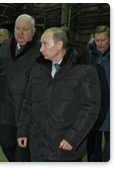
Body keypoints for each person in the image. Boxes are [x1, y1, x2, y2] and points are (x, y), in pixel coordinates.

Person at [17, 27, 101, 162]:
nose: (41, 49)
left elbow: (90, 108)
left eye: (45, 44)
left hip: (65, 148)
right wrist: (23, 130)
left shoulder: (84, 72)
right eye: (41, 44)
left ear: (59, 44)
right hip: (38, 147)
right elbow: (28, 102)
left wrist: (73, 138)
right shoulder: (37, 70)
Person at [0, 14, 41, 162]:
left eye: (25, 29)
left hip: (25, 109)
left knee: (22, 149)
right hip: (5, 107)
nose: (20, 32)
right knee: (5, 141)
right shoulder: (5, 47)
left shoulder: (40, 51)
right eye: (17, 28)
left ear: (33, 30)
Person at [87, 26, 110, 162]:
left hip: (111, 113)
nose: (100, 43)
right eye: (97, 40)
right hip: (94, 112)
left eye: (103, 40)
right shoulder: (89, 57)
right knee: (93, 154)